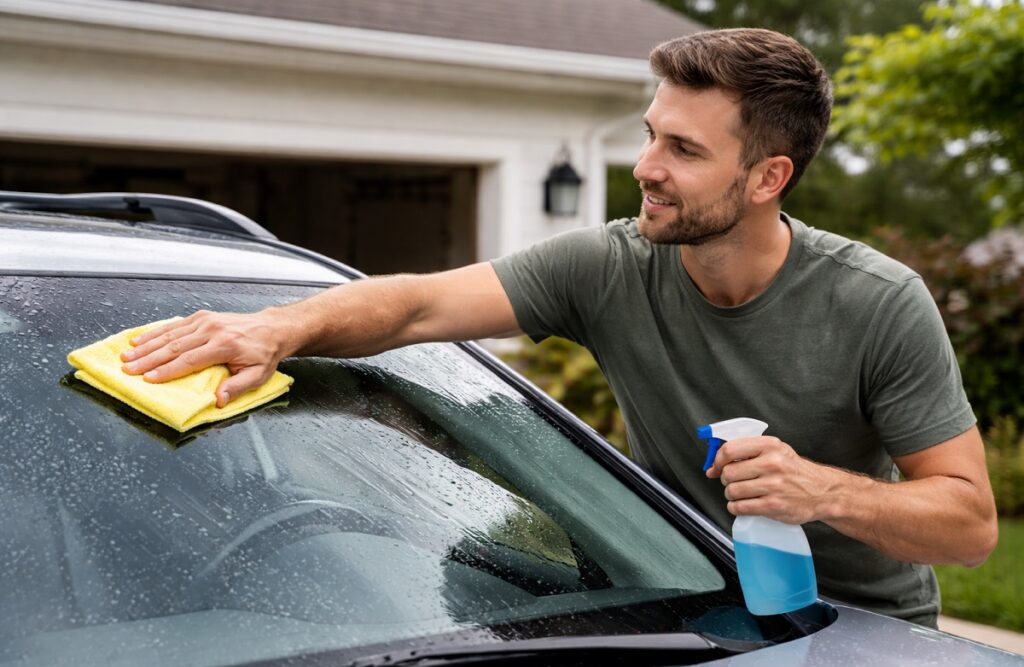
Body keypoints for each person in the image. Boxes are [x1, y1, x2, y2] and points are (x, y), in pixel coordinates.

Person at [120, 28, 996, 627]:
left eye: (683, 151)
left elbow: (969, 524)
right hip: (684, 603)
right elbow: (418, 304)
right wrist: (280, 326)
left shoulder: (879, 302)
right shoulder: (609, 264)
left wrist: (823, 492)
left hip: (862, 633)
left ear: (768, 176)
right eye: (652, 136)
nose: (646, 168)